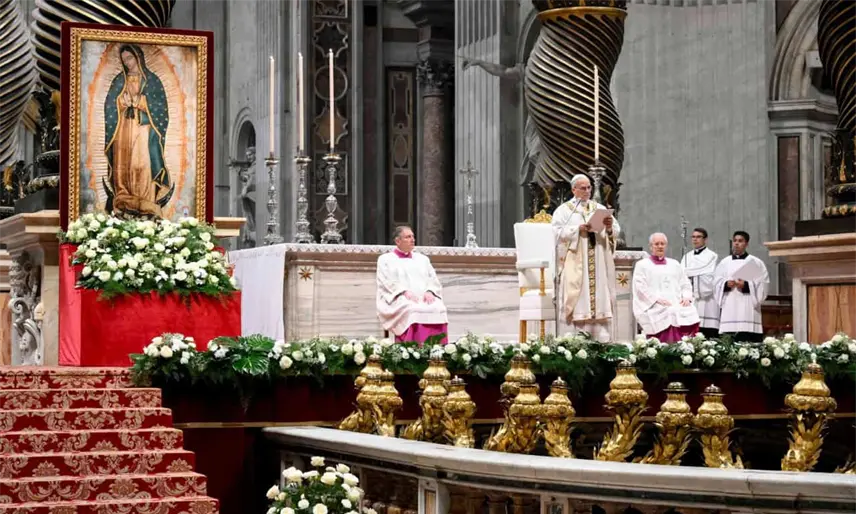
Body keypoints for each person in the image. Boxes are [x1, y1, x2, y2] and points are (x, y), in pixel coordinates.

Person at [103, 44, 174, 218]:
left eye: (130, 58)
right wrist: (121, 102)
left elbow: (161, 108)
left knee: (141, 164)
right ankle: (123, 197)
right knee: (123, 164)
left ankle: (146, 200)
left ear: (138, 57)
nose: (127, 62)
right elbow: (110, 105)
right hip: (123, 128)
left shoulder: (152, 81)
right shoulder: (119, 81)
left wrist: (140, 102)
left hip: (143, 128)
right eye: (124, 59)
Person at [551, 174, 619, 342]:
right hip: (576, 260)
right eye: (583, 188)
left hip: (597, 259)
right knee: (578, 294)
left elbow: (615, 232)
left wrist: (609, 228)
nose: (587, 191)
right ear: (574, 189)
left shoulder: (599, 208)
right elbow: (556, 233)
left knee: (599, 295)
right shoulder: (564, 210)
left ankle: (600, 337)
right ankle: (576, 336)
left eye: (589, 187)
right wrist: (577, 229)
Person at [376, 226, 448, 344]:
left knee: (438, 308)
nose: (412, 239)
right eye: (408, 237)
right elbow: (385, 281)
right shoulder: (385, 259)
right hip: (399, 298)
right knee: (413, 309)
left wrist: (430, 291)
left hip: (424, 297)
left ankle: (438, 354)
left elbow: (432, 278)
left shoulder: (422, 259)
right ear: (397, 241)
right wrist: (404, 292)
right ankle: (412, 352)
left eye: (413, 236)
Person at [633, 233, 700, 342]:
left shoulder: (674, 264)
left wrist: (686, 297)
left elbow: (685, 284)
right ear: (651, 246)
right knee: (670, 312)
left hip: (675, 302)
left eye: (662, 244)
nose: (660, 246)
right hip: (654, 305)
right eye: (657, 244)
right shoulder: (642, 265)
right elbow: (640, 287)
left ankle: (684, 348)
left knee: (689, 310)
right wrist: (656, 300)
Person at [714, 231, 769, 342]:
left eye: (740, 241)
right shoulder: (724, 263)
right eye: (735, 241)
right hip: (730, 307)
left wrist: (747, 285)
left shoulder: (756, 262)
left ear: (746, 244)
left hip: (748, 308)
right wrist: (725, 284)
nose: (736, 243)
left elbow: (763, 284)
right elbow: (715, 282)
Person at [680, 227, 720, 338]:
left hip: (708, 300)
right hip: (691, 299)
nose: (695, 239)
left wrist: (693, 275)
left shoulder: (712, 256)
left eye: (698, 237)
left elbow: (711, 277)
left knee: (708, 333)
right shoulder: (686, 257)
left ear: (705, 239)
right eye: (693, 237)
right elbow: (681, 276)